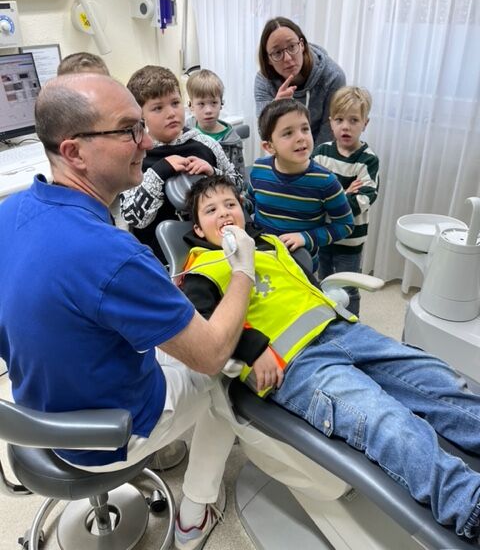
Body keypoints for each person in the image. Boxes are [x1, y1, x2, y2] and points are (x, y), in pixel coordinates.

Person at [0, 73, 256, 550]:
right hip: (104, 437)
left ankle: (167, 453)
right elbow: (211, 354)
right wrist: (243, 270)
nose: (146, 142)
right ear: (74, 151)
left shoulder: (10, 213)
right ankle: (195, 513)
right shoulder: (114, 256)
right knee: (228, 377)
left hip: (35, 409)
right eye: (128, 130)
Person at [179, 174, 480, 543]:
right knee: (384, 418)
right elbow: (204, 331)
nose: (225, 213)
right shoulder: (201, 270)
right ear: (198, 228)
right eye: (211, 210)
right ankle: (469, 503)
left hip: (345, 332)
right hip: (296, 364)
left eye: (230, 204)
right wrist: (252, 349)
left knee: (437, 380)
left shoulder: (269, 244)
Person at [120, 65, 242, 261]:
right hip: (160, 260)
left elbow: (238, 187)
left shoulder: (206, 144)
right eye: (158, 108)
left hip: (214, 254)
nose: (171, 113)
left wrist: (213, 173)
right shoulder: (134, 156)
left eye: (175, 103)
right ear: (140, 115)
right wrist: (159, 172)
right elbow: (133, 218)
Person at [247, 99, 354, 271]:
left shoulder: (326, 181)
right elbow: (251, 202)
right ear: (269, 146)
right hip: (262, 258)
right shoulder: (259, 169)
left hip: (301, 266)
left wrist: (305, 237)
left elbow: (345, 225)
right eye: (288, 133)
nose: (301, 137)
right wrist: (236, 203)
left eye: (305, 129)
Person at [313, 87, 379, 316]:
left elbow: (361, 201)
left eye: (354, 120)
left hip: (350, 240)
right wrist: (344, 193)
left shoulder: (368, 160)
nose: (345, 127)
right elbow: (312, 194)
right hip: (323, 235)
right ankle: (329, 322)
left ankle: (352, 326)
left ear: (365, 123)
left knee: (348, 288)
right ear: (331, 122)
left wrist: (331, 197)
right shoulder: (321, 153)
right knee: (324, 283)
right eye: (339, 120)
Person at [254, 16, 346, 145]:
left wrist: (307, 158)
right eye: (277, 53)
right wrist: (275, 109)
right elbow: (264, 133)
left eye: (292, 46)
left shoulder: (333, 76)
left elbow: (329, 133)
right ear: (268, 59)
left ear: (302, 45)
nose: (287, 58)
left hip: (319, 151)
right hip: (283, 150)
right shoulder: (264, 80)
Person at [186, 68, 246, 179]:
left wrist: (214, 172)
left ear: (221, 104)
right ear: (191, 106)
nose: (208, 110)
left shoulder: (233, 142)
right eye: (201, 104)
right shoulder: (185, 131)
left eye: (214, 102)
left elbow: (240, 181)